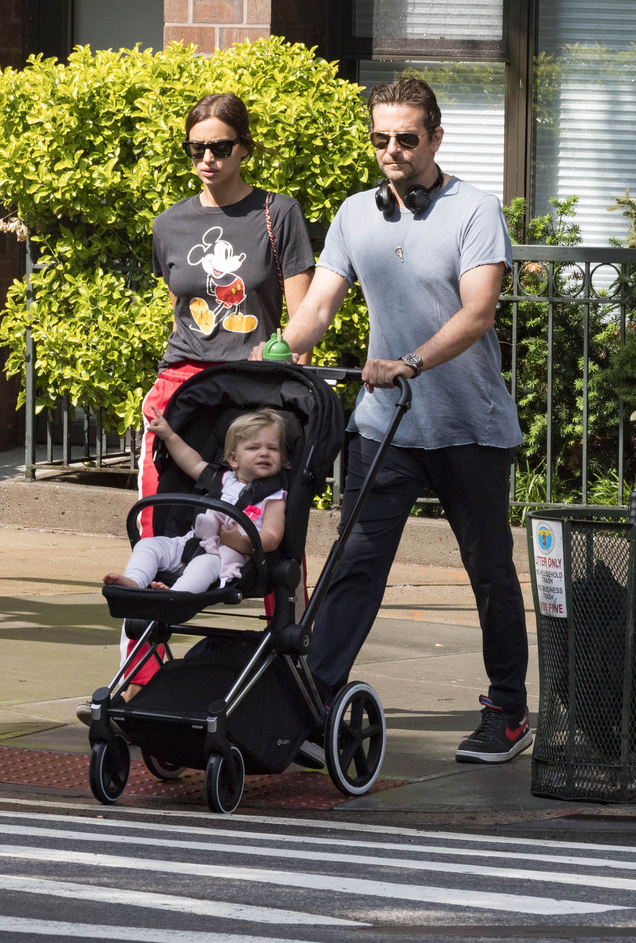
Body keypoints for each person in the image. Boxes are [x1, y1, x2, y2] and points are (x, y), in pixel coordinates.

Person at [252, 77, 531, 765]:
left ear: (436, 137)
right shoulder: (355, 214)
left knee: (490, 572)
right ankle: (315, 705)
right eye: (380, 138)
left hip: (470, 425)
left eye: (406, 138)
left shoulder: (474, 210)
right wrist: (282, 348)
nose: (392, 150)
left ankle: (508, 711)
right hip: (386, 425)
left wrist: (409, 359)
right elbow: (319, 307)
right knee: (354, 564)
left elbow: (477, 314)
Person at [124, 91, 314, 691]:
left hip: (256, 391)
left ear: (244, 148)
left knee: (272, 527)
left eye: (220, 147)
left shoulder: (276, 214)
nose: (207, 158)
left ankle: (291, 674)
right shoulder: (170, 223)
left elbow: (301, 320)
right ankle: (144, 671)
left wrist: (284, 354)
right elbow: (182, 308)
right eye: (196, 148)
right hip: (184, 386)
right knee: (162, 525)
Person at [102, 407, 288, 701]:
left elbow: (273, 536)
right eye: (254, 447)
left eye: (272, 448)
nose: (264, 453)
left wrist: (240, 541)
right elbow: (191, 461)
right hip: (192, 542)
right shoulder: (223, 480)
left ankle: (176, 595)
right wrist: (167, 433)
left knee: (204, 564)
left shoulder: (274, 496)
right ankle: (135, 582)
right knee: (149, 545)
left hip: (226, 556)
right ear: (233, 458)